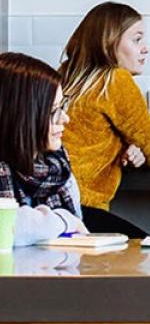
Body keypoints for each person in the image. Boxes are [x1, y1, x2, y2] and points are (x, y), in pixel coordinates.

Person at [60, 1, 150, 238]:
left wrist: (129, 145)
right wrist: (140, 145)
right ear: (109, 42)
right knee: (142, 248)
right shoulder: (115, 81)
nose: (145, 48)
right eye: (137, 39)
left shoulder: (63, 76)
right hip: (80, 208)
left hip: (46, 206)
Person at [0, 52, 88, 247]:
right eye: (53, 111)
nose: (65, 118)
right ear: (23, 117)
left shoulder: (58, 167)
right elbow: (6, 227)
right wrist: (63, 220)